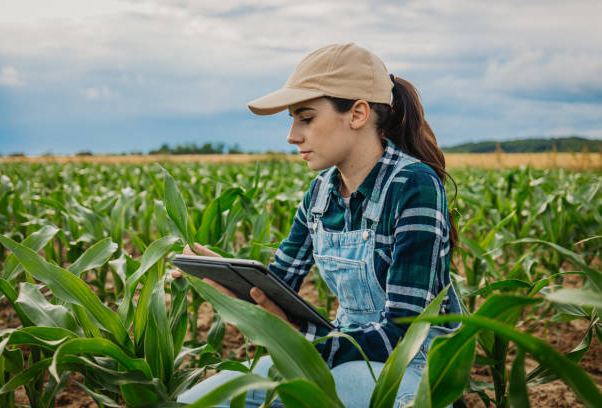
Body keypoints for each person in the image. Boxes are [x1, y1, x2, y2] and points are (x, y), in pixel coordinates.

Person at [173, 42, 462, 408]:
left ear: (357, 114)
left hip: (413, 375)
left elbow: (404, 336)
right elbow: (281, 287)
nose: (293, 136)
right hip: (339, 358)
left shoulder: (413, 186)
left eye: (306, 118)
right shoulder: (320, 194)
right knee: (202, 399)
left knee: (310, 393)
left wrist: (302, 337)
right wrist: (236, 285)